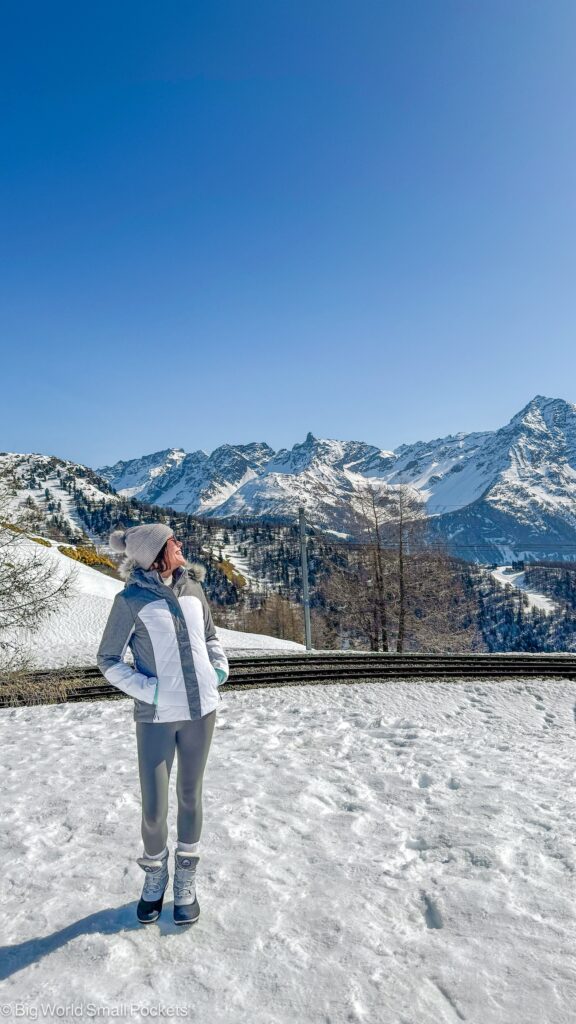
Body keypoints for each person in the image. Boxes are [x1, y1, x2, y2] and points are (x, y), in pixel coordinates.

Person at [96, 522, 229, 926]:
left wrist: (218, 670)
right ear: (156, 554)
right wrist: (149, 692)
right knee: (154, 809)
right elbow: (108, 659)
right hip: (156, 717)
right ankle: (155, 875)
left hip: (201, 711)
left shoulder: (193, 589)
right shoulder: (130, 601)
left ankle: (186, 878)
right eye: (173, 542)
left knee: (191, 795)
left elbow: (210, 637)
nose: (180, 544)